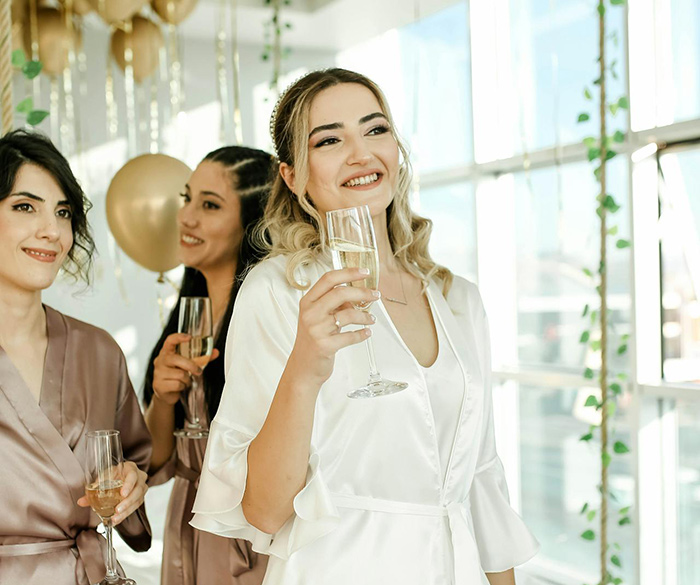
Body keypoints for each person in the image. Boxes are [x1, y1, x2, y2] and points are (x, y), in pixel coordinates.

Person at [191, 68, 539, 585]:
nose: (360, 153)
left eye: (375, 130)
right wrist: (305, 367)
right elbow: (264, 510)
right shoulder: (276, 291)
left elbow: (483, 480)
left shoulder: (458, 299)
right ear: (293, 176)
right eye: (330, 140)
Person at [0, 129, 151, 585]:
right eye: (25, 207)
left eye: (62, 212)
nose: (52, 230)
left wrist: (132, 484)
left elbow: (134, 462)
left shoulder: (98, 351)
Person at [143, 146, 274, 585]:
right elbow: (157, 462)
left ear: (251, 221)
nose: (186, 217)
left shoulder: (269, 316)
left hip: (248, 533)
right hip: (189, 522)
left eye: (210, 205)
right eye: (187, 198)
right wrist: (163, 397)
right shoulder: (188, 318)